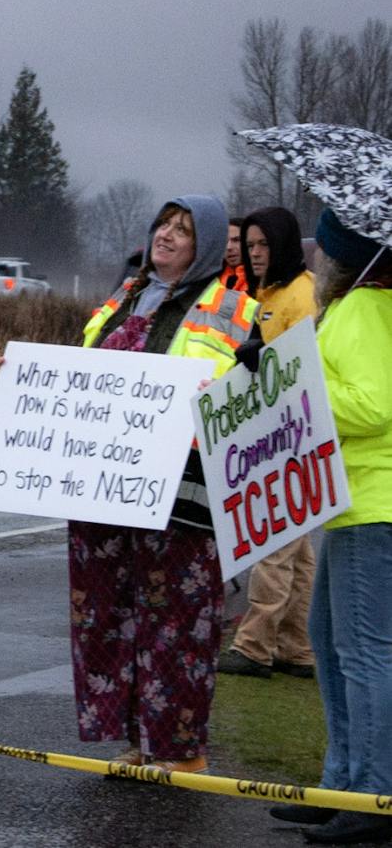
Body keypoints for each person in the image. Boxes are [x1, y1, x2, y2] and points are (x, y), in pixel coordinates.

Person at [71, 195, 257, 774]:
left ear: (202, 245)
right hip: (108, 485)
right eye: (163, 225)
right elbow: (85, 368)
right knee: (112, 614)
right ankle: (136, 737)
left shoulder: (232, 307)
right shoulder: (122, 296)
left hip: (183, 493)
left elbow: (243, 393)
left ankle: (182, 747)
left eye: (183, 229)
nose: (168, 236)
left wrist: (257, 364)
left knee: (177, 618)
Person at [268, 210, 392, 843]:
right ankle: (340, 784)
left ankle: (374, 797)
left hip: (378, 505)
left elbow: (372, 405)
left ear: (344, 258)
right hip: (351, 504)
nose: (312, 261)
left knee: (366, 652)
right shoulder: (349, 307)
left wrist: (304, 388)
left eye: (322, 252)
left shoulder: (370, 307)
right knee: (331, 640)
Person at [218, 206, 318, 681]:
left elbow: (304, 366)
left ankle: (255, 645)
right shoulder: (270, 292)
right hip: (280, 433)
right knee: (296, 550)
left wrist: (266, 354)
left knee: (274, 540)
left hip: (294, 435)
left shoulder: (302, 295)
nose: (255, 254)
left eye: (264, 245)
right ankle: (297, 647)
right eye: (250, 245)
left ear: (283, 246)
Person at [220, 215, 249, 293]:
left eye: (236, 240)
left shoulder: (262, 281)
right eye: (225, 241)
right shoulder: (211, 281)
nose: (229, 247)